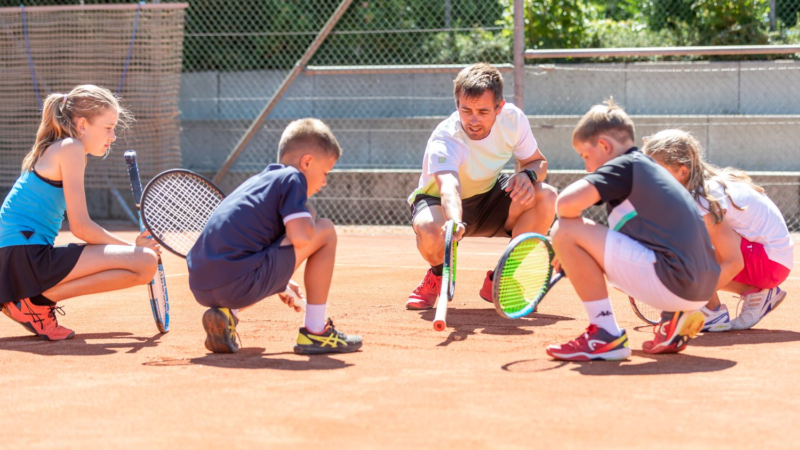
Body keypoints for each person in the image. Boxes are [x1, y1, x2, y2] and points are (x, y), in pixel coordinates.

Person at [546, 100, 720, 361]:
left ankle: (604, 333)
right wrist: (578, 256)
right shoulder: (649, 171)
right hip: (702, 288)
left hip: (675, 282)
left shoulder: (625, 166)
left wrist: (567, 247)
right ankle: (673, 315)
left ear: (604, 146)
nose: (587, 167)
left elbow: (564, 204)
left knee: (563, 229)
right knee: (580, 233)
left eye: (585, 156)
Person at [187, 118, 362, 355]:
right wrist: (310, 213)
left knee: (302, 235)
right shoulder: (293, 178)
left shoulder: (259, 182)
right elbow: (301, 237)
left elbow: (251, 243)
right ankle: (316, 330)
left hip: (202, 285)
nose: (324, 182)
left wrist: (280, 282)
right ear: (307, 162)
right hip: (238, 283)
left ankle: (228, 314)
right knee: (326, 230)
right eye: (324, 172)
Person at [0, 85, 159, 341]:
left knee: (143, 264)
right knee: (145, 262)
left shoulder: (66, 149)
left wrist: (133, 250)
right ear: (83, 125)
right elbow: (81, 227)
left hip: (19, 257)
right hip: (25, 256)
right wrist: (133, 248)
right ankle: (34, 302)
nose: (114, 136)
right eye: (108, 127)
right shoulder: (71, 147)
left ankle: (35, 301)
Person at [406, 63, 557, 309]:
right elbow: (449, 188)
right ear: (457, 105)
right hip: (441, 203)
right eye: (466, 110)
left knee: (547, 196)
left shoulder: (513, 120)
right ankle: (436, 275)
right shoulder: (446, 137)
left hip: (489, 197)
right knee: (429, 229)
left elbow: (538, 162)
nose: (473, 120)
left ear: (500, 107)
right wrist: (454, 220)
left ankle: (501, 279)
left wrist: (528, 175)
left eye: (483, 112)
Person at [643, 129, 793, 331]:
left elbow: (733, 262)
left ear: (682, 170)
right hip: (771, 259)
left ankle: (711, 312)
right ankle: (753, 293)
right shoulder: (699, 186)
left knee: (685, 245)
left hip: (770, 262)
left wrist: (689, 300)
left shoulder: (704, 196)